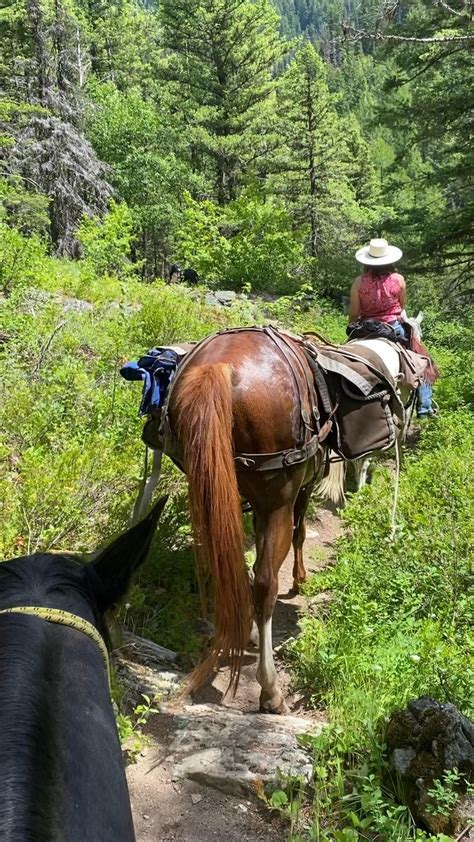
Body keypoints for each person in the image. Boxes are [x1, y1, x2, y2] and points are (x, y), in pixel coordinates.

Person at [348, 238, 437, 418]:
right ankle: (425, 407)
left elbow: (354, 313)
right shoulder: (398, 279)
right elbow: (401, 306)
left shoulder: (359, 282)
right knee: (421, 361)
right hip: (393, 328)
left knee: (346, 356)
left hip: (366, 329)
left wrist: (352, 328)